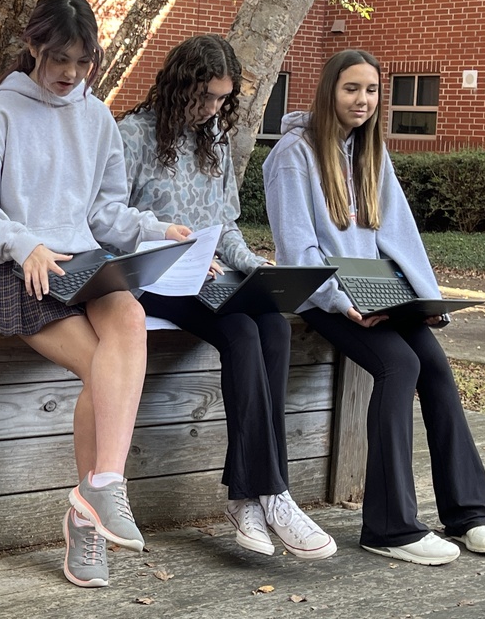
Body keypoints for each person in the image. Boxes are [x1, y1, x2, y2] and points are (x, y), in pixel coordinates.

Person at [0, 0, 190, 589]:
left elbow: (107, 213)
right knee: (100, 368)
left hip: (82, 260)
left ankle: (101, 488)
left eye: (83, 62)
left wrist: (159, 230)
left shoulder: (97, 117)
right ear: (34, 46)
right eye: (59, 58)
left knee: (129, 320)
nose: (69, 73)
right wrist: (22, 242)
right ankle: (88, 525)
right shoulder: (1, 111)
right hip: (17, 266)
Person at [262, 48, 485, 566]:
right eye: (352, 88)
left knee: (436, 369)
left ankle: (468, 513)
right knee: (401, 365)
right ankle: (390, 527)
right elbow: (295, 249)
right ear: (330, 91)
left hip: (380, 289)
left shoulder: (371, 151)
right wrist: (339, 299)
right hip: (322, 294)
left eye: (372, 90)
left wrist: (424, 298)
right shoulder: (293, 154)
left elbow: (400, 235)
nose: (363, 100)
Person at [118, 34, 337, 560]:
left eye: (222, 98)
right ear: (179, 85)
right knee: (247, 327)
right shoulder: (132, 136)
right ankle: (270, 492)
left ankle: (250, 496)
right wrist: (170, 240)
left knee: (268, 324)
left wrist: (250, 263)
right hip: (153, 281)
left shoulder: (213, 140)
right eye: (206, 96)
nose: (214, 108)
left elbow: (227, 227)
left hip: (211, 282)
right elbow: (108, 225)